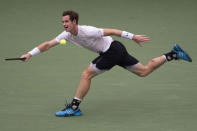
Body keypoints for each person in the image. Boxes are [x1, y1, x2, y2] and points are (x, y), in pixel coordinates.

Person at [21, 10, 192, 117]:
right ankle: (173, 54)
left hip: (112, 50)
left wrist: (132, 36)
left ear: (74, 22)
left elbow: (112, 31)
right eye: (63, 22)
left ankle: (74, 107)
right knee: (144, 71)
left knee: (86, 74)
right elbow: (48, 45)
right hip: (115, 50)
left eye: (67, 21)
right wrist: (30, 53)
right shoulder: (65, 35)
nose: (64, 24)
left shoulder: (88, 31)